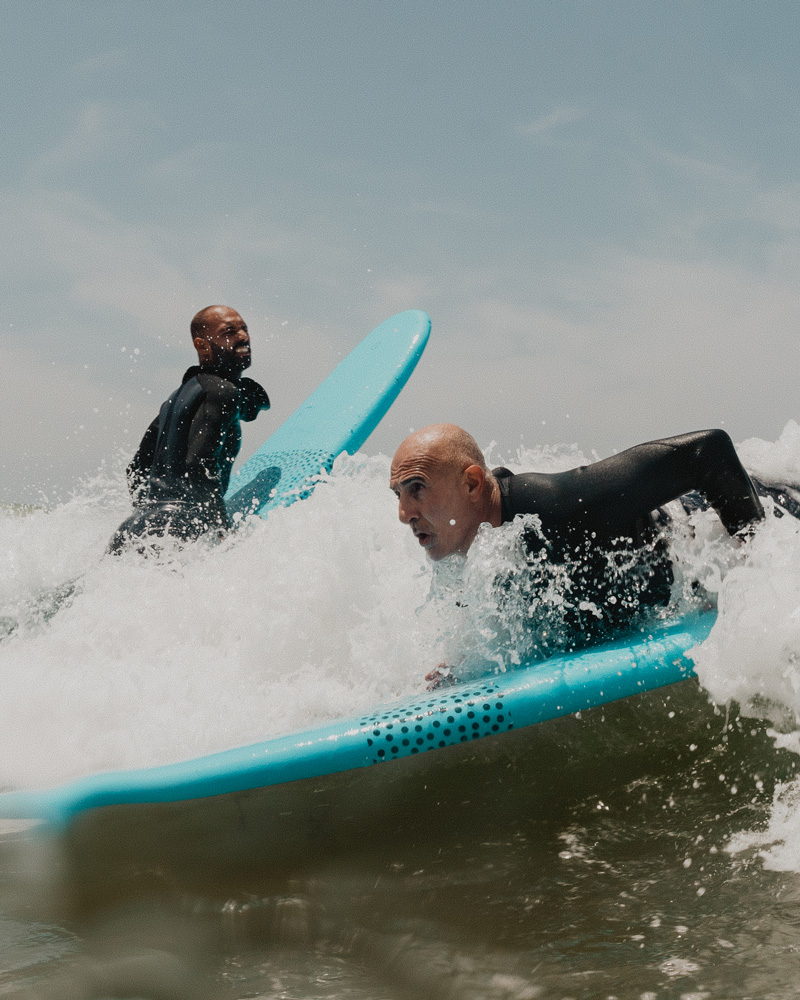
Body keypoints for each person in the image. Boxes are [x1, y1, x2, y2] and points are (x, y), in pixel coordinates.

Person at [390, 423, 798, 676]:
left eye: (417, 489)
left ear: (472, 484)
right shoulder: (466, 542)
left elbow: (706, 451)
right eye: (398, 494)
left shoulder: (559, 505)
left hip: (759, 513)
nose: (404, 512)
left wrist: (756, 566)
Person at [109, 305, 270, 553]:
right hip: (178, 528)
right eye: (229, 331)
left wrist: (150, 516)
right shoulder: (222, 392)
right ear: (202, 345)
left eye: (244, 329)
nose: (242, 336)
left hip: (135, 528)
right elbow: (201, 463)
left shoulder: (175, 400)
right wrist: (222, 531)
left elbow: (136, 469)